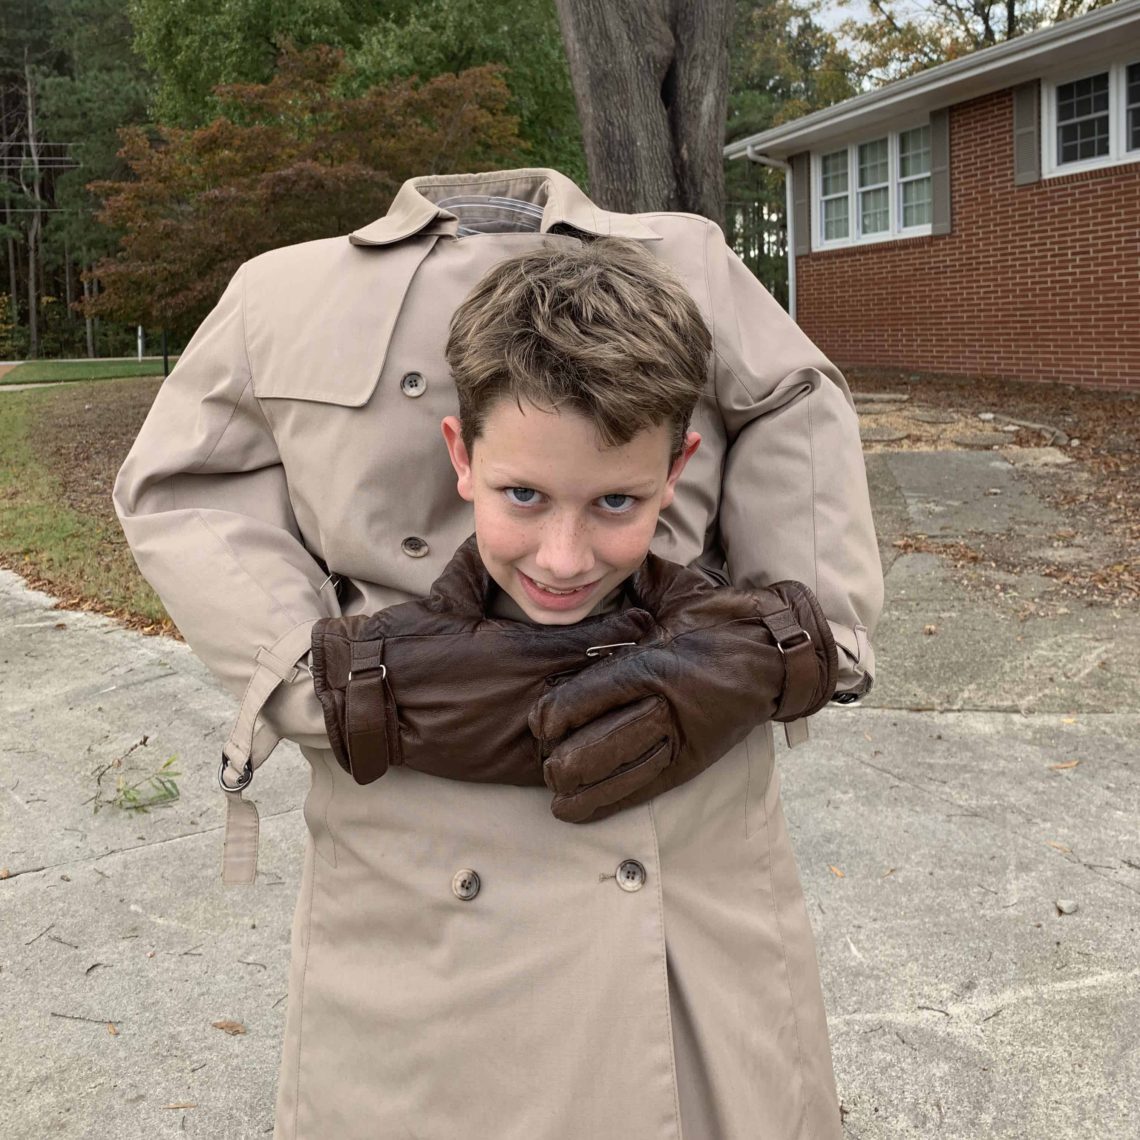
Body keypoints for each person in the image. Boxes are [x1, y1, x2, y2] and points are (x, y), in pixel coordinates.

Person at [112, 166, 883, 1139]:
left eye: (617, 500)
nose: (561, 559)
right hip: (415, 856)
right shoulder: (278, 292)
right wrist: (329, 687)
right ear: (460, 454)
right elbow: (181, 484)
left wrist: (774, 648)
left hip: (684, 838)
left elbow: (798, 404)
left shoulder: (687, 260)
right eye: (519, 497)